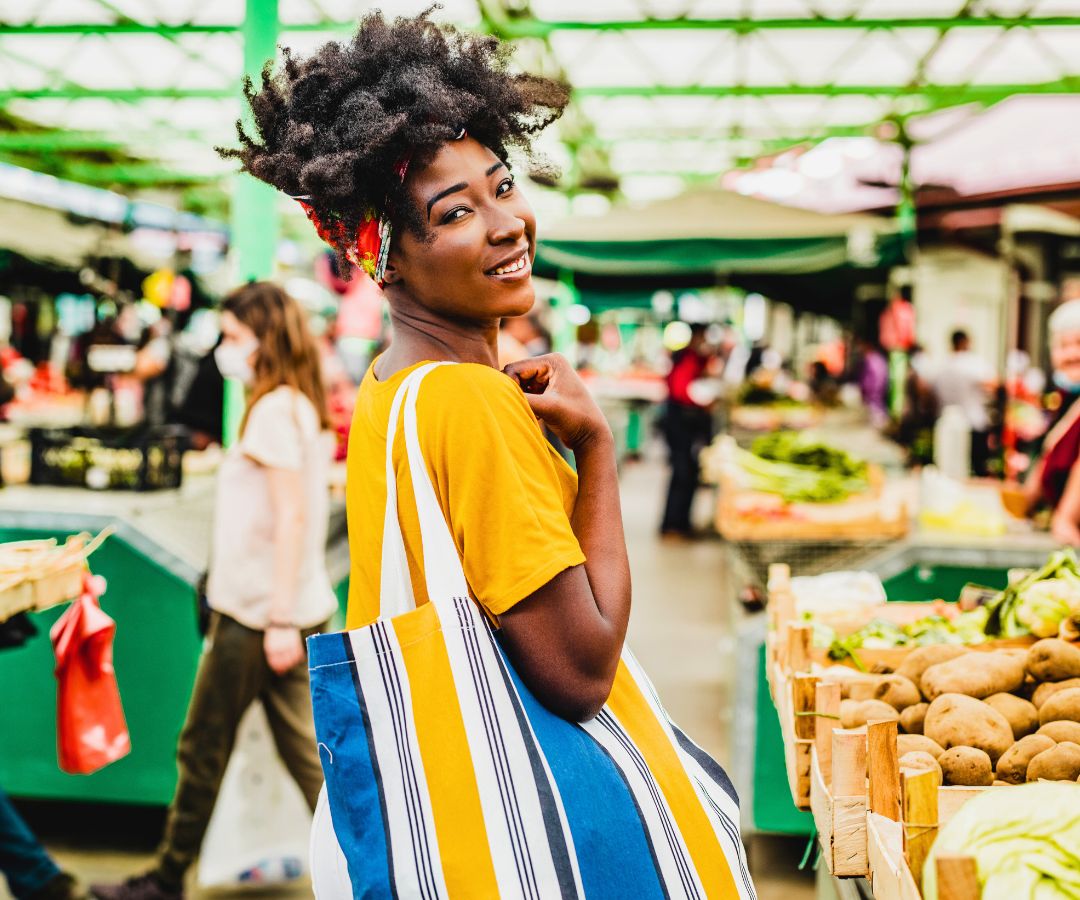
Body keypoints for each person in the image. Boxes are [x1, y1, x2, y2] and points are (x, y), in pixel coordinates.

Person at [219, 10, 750, 895]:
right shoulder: (470, 402)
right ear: (381, 254)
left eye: (503, 187)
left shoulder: (395, 386)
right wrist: (598, 450)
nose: (507, 224)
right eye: (454, 212)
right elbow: (581, 673)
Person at [92, 283, 338, 900]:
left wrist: (279, 619)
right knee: (311, 761)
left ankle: (167, 877)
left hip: (259, 615)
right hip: (280, 608)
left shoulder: (277, 409)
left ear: (266, 339)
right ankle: (378, 873)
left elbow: (291, 519)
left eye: (234, 337)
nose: (225, 350)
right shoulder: (293, 403)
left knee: (205, 746)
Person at [1020, 299, 1080, 544]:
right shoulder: (1066, 403)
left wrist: (1066, 517)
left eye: (1079, 343)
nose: (1071, 354)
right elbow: (1047, 456)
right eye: (1062, 345)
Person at [660, 323, 715, 537]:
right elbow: (681, 390)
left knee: (686, 472)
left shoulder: (693, 357)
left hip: (682, 421)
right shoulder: (686, 357)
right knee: (682, 472)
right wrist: (703, 404)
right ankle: (673, 525)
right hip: (680, 422)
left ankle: (680, 523)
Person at [931, 329, 997, 476]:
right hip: (973, 425)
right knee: (974, 472)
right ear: (965, 342)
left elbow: (929, 394)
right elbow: (993, 384)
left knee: (947, 472)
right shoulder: (972, 363)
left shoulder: (941, 366)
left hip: (945, 424)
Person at [854, 335, 889, 427]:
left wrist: (872, 390)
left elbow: (879, 377)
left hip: (874, 392)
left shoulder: (874, 360)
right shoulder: (871, 359)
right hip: (872, 393)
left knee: (877, 413)